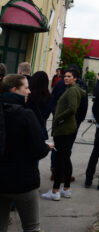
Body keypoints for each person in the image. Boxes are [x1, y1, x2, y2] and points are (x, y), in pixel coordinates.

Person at [0, 74, 52, 230]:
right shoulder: (25, 115)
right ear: (15, 90)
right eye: (26, 87)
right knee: (31, 227)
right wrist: (46, 147)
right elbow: (39, 150)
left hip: (1, 181)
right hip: (23, 182)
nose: (29, 91)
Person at [42, 69, 86, 201]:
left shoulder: (72, 90)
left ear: (75, 78)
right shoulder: (72, 89)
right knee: (65, 158)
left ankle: (55, 190)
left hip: (64, 129)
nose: (66, 78)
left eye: (69, 76)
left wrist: (58, 118)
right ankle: (66, 189)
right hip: (67, 128)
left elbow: (72, 108)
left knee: (60, 159)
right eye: (65, 76)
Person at [27, 71, 51, 140]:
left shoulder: (28, 95)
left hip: (28, 126)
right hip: (40, 127)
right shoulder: (48, 97)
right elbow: (46, 114)